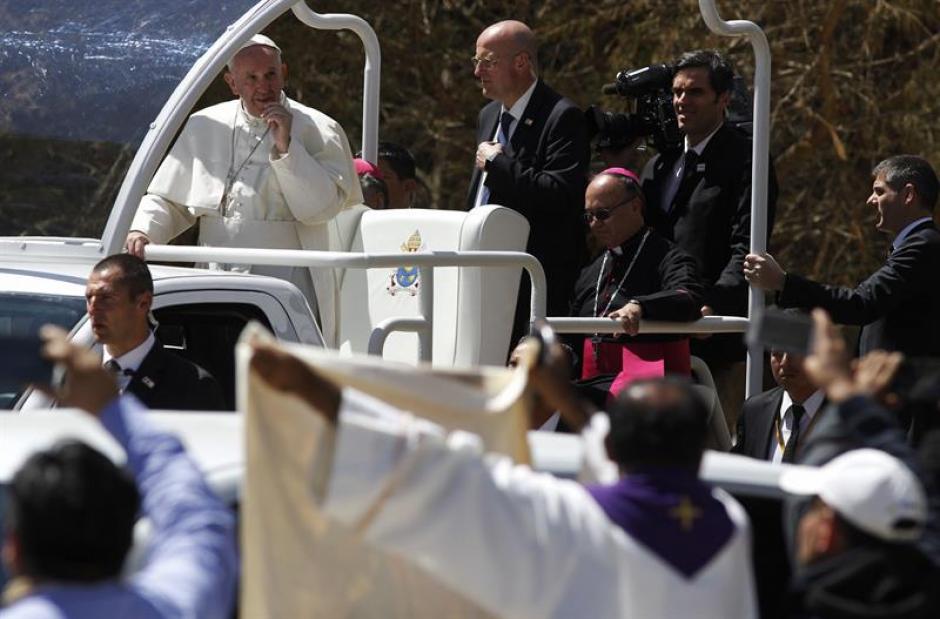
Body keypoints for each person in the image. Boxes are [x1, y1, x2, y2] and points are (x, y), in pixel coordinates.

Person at [250, 342, 758, 618]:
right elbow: (612, 450)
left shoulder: (567, 519)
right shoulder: (730, 525)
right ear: (699, 453)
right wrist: (562, 395)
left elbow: (427, 467)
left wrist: (312, 387)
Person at [125, 34, 362, 346]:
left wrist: (287, 146)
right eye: (250, 78)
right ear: (232, 82)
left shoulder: (321, 128)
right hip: (214, 271)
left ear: (284, 73)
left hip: (288, 278)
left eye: (270, 75)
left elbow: (322, 209)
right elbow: (171, 200)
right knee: (213, 361)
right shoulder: (204, 124)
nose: (263, 87)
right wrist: (143, 230)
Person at [0, 326, 238, 619]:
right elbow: (198, 517)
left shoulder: (192, 381)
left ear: (13, 550)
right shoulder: (178, 606)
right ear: (130, 540)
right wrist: (112, 407)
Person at [641, 50, 778, 426]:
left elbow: (747, 244)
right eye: (677, 92)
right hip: (657, 335)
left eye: (695, 92)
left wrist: (713, 305)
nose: (682, 101)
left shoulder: (748, 160)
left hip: (715, 339)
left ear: (724, 99)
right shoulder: (660, 164)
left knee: (720, 450)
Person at [466, 20, 590, 339]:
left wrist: (499, 164)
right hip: (481, 270)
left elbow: (560, 194)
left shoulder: (562, 117)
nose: (478, 72)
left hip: (531, 280)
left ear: (521, 62)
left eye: (487, 63)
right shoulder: (488, 115)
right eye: (476, 62)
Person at [745, 154, 940, 358]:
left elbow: (861, 304)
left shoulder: (923, 245)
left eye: (879, 192)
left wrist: (783, 282)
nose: (870, 200)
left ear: (908, 195)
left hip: (908, 386)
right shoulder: (917, 245)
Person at [571, 168, 704, 395]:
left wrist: (640, 307)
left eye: (602, 214)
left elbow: (688, 297)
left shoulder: (668, 257)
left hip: (652, 384)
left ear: (635, 206)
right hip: (591, 382)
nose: (594, 224)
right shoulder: (591, 271)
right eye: (589, 216)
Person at [85, 254, 226, 410]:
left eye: (106, 298)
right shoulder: (74, 376)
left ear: (144, 302)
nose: (92, 308)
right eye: (89, 298)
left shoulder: (192, 385)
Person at [733, 325, 826, 462]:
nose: (784, 362)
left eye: (795, 352)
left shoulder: (846, 416)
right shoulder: (754, 411)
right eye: (777, 352)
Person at [376, 142, 420, 209]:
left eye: (379, 178)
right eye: (360, 178)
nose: (366, 184)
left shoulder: (427, 219)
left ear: (408, 186)